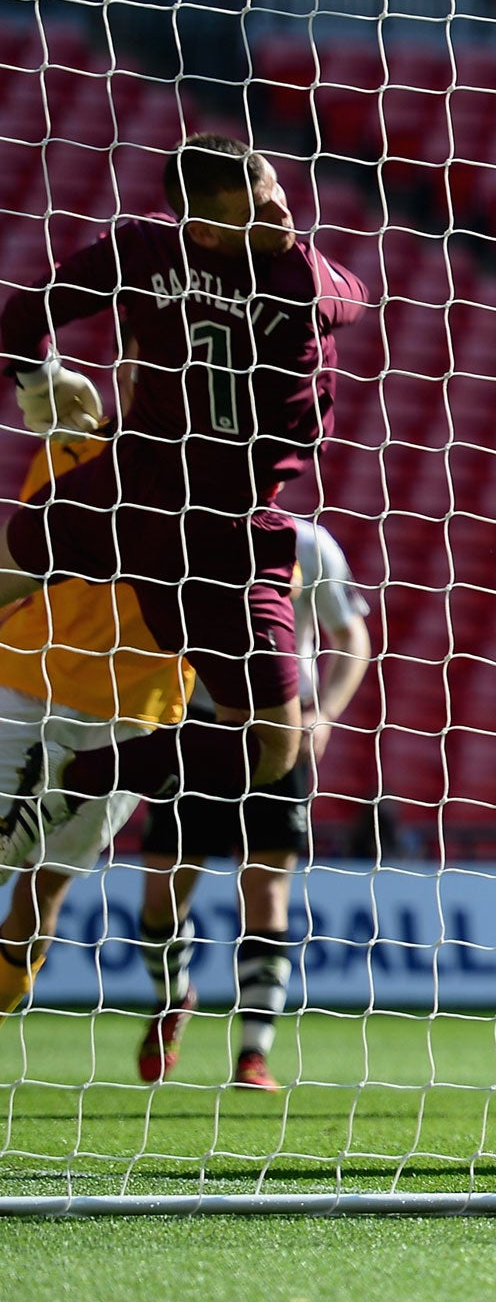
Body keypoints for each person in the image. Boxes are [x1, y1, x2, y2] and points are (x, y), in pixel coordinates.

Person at [0, 133, 368, 1050]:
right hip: (185, 512)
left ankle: (104, 773)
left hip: (181, 514)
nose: (285, 211)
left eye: (280, 192)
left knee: (272, 755)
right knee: (267, 759)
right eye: (263, 200)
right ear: (202, 222)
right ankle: (101, 776)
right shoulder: (232, 266)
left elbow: (21, 316)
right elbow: (353, 301)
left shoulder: (208, 259)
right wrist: (42, 373)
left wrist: (37, 372)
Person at [130, 516, 372, 1088]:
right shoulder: (188, 527)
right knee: (163, 894)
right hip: (194, 726)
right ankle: (172, 1000)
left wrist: (325, 712)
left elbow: (352, 635)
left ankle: (253, 1053)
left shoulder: (308, 543)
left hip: (278, 731)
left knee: (266, 891)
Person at [0, 429, 193, 1013]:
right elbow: (30, 553)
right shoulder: (69, 446)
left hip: (132, 712)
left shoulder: (223, 474)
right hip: (26, 680)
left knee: (44, 887)